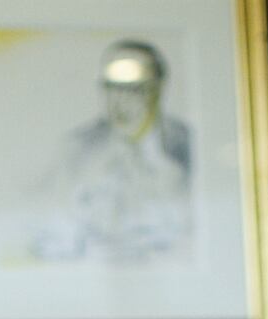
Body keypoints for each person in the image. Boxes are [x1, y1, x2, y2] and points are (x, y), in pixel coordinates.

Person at [31, 39, 192, 263]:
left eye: (134, 88)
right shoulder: (75, 148)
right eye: (111, 87)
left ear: (159, 88)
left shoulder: (188, 145)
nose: (120, 101)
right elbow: (45, 230)